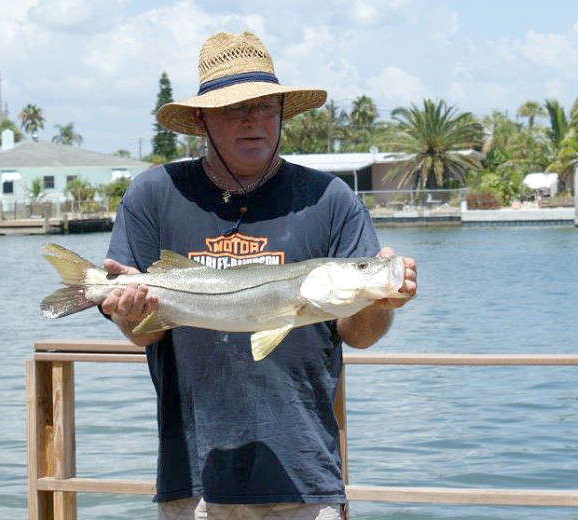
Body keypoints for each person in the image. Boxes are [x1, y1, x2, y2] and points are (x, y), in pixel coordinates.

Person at [100, 31, 417, 520]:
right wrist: (128, 312)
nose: (253, 120)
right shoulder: (154, 194)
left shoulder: (330, 200)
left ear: (282, 115)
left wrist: (377, 301)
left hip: (304, 476)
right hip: (194, 476)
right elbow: (146, 336)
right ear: (202, 119)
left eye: (266, 106)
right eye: (234, 109)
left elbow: (360, 337)